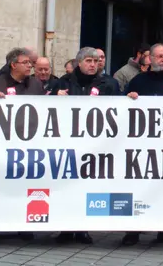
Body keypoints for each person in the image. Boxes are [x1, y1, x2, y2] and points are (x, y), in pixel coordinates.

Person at [50, 47, 119, 244]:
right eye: (88, 60)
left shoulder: (109, 84)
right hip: (68, 144)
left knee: (87, 186)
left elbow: (120, 109)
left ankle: (82, 228)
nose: (92, 64)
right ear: (78, 62)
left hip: (96, 145)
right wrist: (56, 97)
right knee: (66, 186)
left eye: (95, 61)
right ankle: (65, 228)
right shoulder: (63, 82)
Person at [122, 43, 163, 247]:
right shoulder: (138, 80)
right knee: (139, 186)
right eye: (160, 56)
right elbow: (125, 110)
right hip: (143, 146)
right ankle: (133, 230)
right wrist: (129, 99)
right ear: (151, 59)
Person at [0, 48, 43, 242]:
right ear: (13, 64)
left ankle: (23, 225)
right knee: (0, 186)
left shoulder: (36, 84)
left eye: (30, 63)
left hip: (29, 146)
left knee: (25, 187)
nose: (30, 66)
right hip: (3, 146)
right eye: (26, 62)